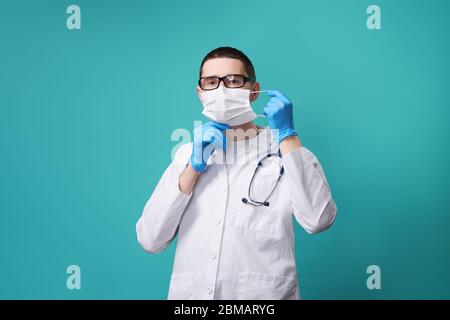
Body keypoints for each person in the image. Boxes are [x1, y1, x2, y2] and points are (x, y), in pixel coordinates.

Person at [136, 47, 337, 300]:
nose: (222, 89)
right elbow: (150, 239)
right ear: (200, 93)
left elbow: (319, 220)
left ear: (253, 90)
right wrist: (193, 168)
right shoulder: (187, 154)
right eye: (211, 82)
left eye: (233, 80)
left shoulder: (285, 150)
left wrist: (288, 135)